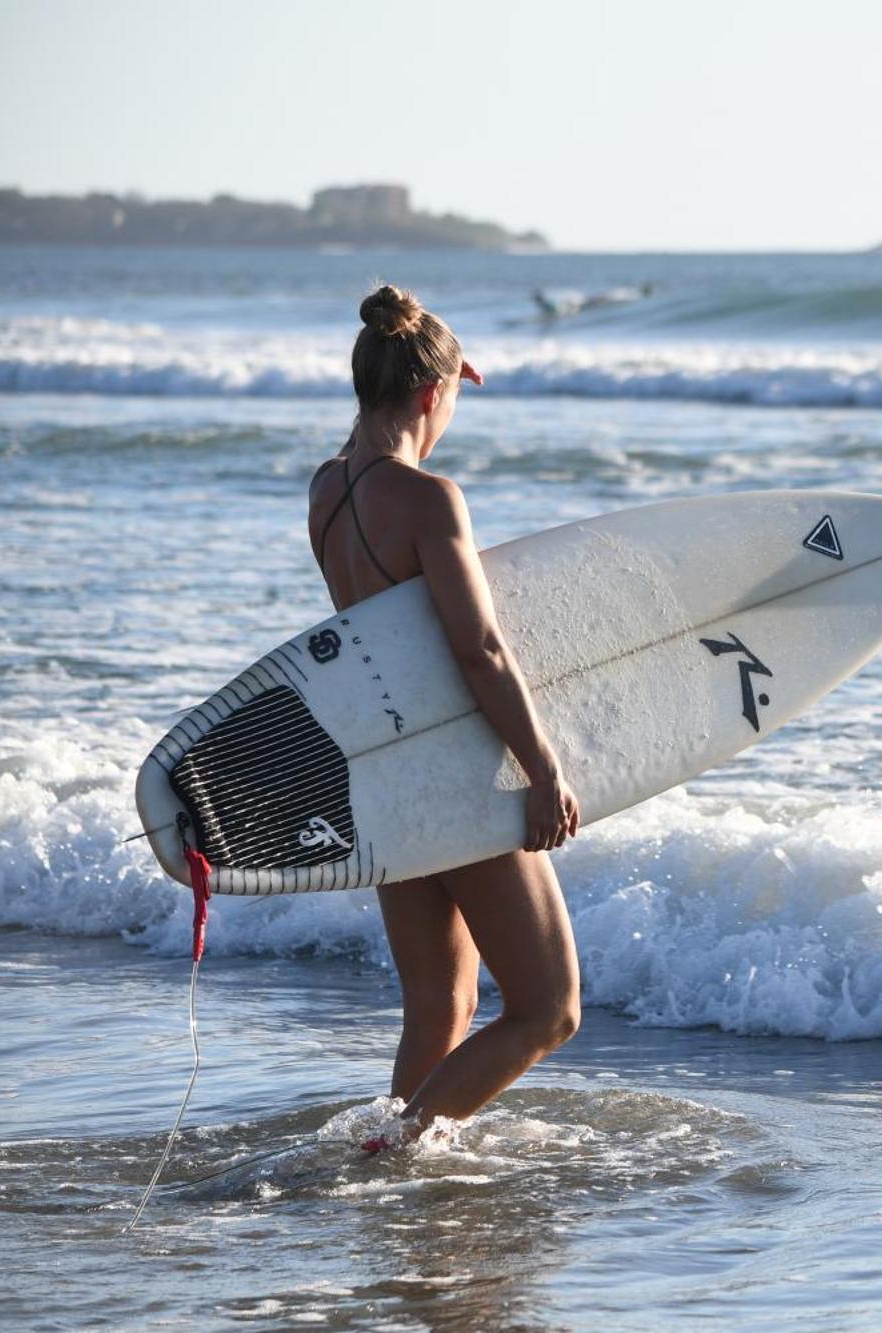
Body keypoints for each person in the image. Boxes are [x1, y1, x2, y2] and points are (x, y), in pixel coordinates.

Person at [308, 285, 582, 1142]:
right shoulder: (428, 500)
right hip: (456, 772)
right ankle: (393, 1151)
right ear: (434, 393)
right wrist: (543, 769)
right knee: (548, 1007)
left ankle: (402, 1182)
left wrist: (423, 352)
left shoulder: (327, 492)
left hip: (384, 773)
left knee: (442, 1003)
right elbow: (482, 652)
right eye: (452, 394)